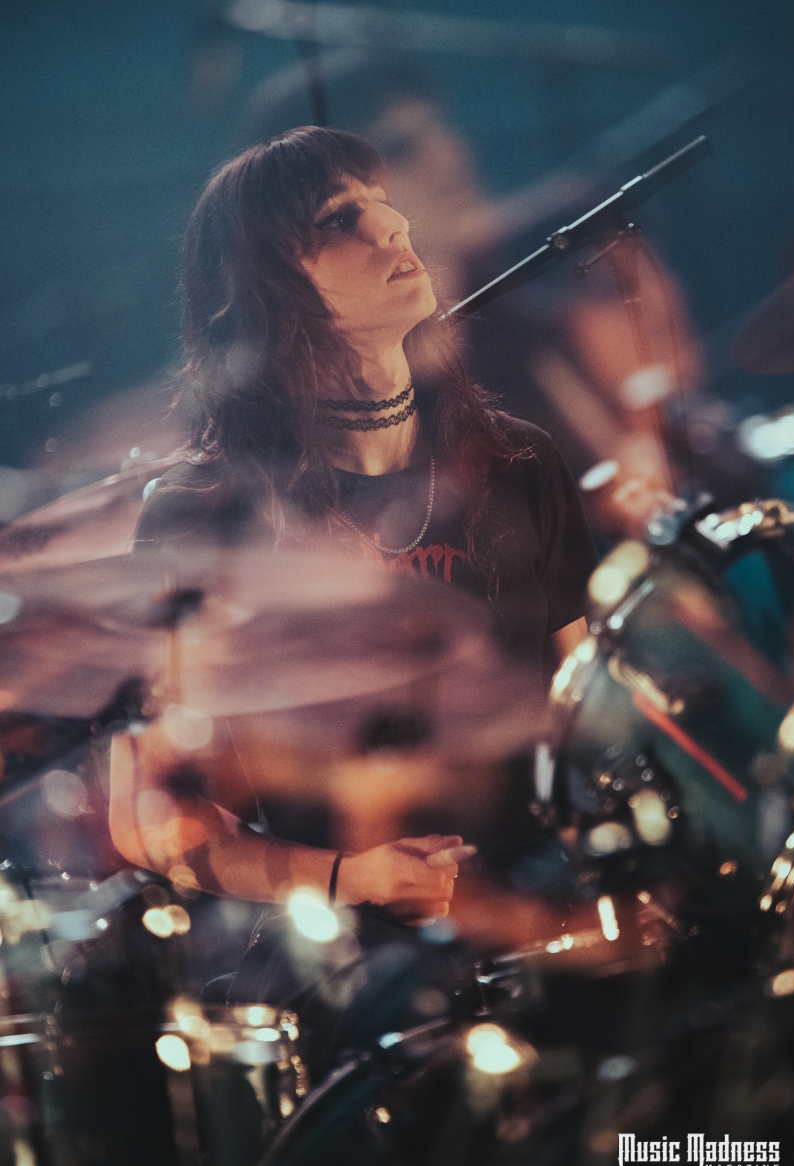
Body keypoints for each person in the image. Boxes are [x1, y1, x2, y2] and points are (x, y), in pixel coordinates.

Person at [108, 127, 596, 1066]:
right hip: (341, 978)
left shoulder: (517, 464)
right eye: (343, 218)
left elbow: (590, 715)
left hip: (542, 926)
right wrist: (348, 878)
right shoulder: (201, 517)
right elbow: (151, 823)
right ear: (263, 286)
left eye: (383, 201)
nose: (395, 225)